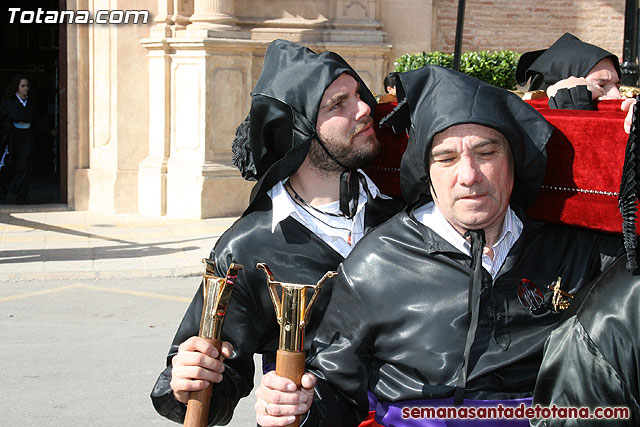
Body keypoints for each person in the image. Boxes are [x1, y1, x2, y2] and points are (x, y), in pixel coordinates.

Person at [255, 65, 624, 426]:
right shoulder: (375, 265)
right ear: (425, 174)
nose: (468, 177)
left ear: (514, 162)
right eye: (446, 159)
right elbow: (336, 391)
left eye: (486, 153)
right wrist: (300, 409)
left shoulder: (578, 249)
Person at [150, 39, 402, 426]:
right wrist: (188, 380)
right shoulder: (249, 245)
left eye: (357, 94)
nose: (365, 108)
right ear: (299, 130)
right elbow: (218, 381)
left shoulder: (405, 217)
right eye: (339, 104)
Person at [0, 75, 37, 203]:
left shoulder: (32, 103)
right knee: (9, 164)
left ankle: (22, 194)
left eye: (27, 86)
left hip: (27, 137)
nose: (25, 88)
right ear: (17, 87)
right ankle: (4, 189)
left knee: (24, 165)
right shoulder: (8, 103)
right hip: (12, 137)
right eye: (23, 86)